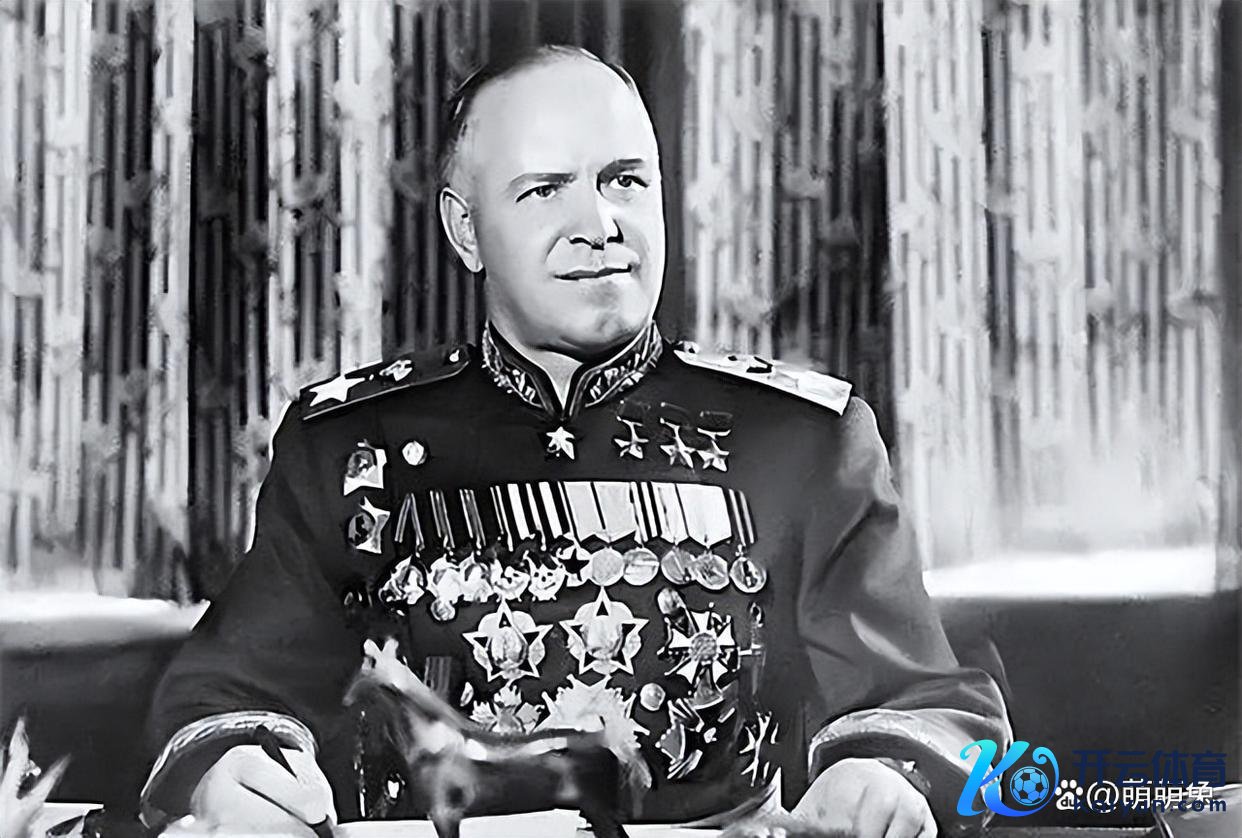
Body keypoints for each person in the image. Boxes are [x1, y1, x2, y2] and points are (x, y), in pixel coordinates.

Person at [141, 45, 1010, 838]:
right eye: (544, 190)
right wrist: (233, 771)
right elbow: (234, 690)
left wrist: (880, 775)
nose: (599, 222)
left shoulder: (801, 439)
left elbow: (924, 697)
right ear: (466, 230)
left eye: (625, 180)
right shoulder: (350, 446)